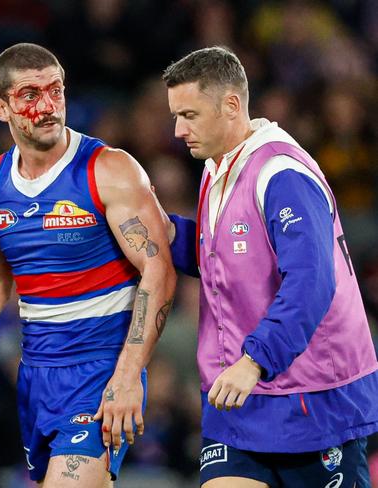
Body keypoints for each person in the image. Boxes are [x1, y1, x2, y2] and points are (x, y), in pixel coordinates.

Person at [0, 42, 176, 487]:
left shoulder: (108, 169)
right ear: (0, 107)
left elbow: (158, 270)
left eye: (56, 91)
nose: (48, 106)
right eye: (30, 95)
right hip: (36, 378)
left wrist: (128, 375)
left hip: (100, 372)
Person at [162, 46, 378, 487]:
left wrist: (255, 360)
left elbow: (313, 281)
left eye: (189, 115)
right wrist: (163, 232)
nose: (179, 130)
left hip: (311, 395)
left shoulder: (282, 174)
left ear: (231, 105)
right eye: (175, 116)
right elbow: (225, 261)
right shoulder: (216, 167)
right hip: (237, 396)